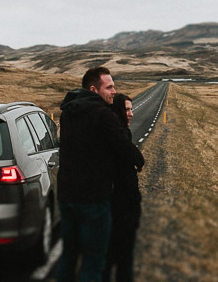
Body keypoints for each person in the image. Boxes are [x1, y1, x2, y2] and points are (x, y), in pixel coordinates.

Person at [56, 67, 144, 282]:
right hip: (93, 199)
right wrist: (139, 160)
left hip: (67, 197)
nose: (114, 92)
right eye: (110, 87)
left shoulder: (68, 112)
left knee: (68, 255)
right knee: (94, 261)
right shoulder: (102, 113)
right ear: (94, 89)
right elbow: (123, 146)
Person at [104, 93, 141, 282]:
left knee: (111, 261)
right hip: (119, 210)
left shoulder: (118, 133)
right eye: (127, 109)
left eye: (131, 109)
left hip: (119, 209)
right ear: (118, 110)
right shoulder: (118, 136)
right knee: (121, 260)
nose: (132, 114)